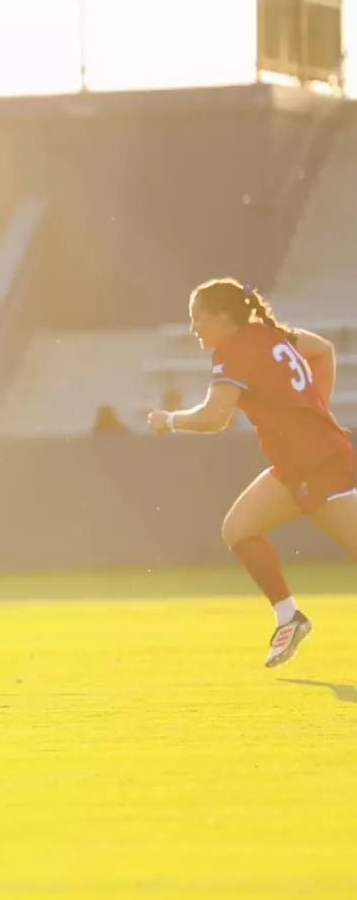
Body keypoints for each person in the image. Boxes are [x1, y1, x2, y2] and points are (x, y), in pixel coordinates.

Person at [149, 280, 356, 668]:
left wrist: (169, 420)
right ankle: (288, 617)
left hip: (314, 464)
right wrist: (316, 412)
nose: (193, 327)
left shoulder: (234, 348)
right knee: (238, 529)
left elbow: (214, 417)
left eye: (198, 318)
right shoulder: (269, 333)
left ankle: (289, 617)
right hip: (301, 461)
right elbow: (323, 352)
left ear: (223, 317)